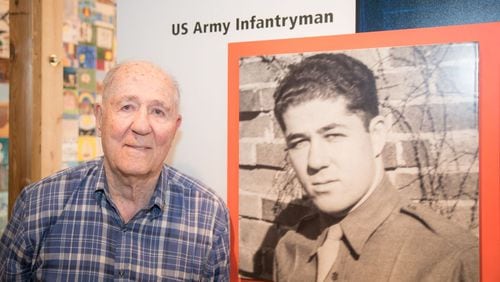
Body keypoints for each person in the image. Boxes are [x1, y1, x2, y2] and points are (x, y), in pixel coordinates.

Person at [0, 61, 230, 281]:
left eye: (158, 112)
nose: (141, 126)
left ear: (175, 128)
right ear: (100, 118)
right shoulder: (38, 204)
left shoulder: (208, 217)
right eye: (126, 107)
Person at [272, 53, 478, 282]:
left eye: (333, 135)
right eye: (299, 142)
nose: (315, 161)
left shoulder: (450, 259)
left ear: (377, 135)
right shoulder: (290, 248)